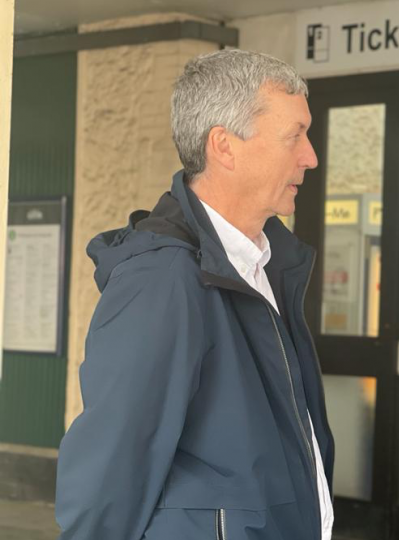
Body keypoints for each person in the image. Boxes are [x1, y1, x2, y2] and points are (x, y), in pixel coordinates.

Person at [55, 49, 334, 540]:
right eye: (295, 136)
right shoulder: (163, 278)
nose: (310, 156)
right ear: (224, 147)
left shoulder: (269, 266)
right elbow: (112, 466)